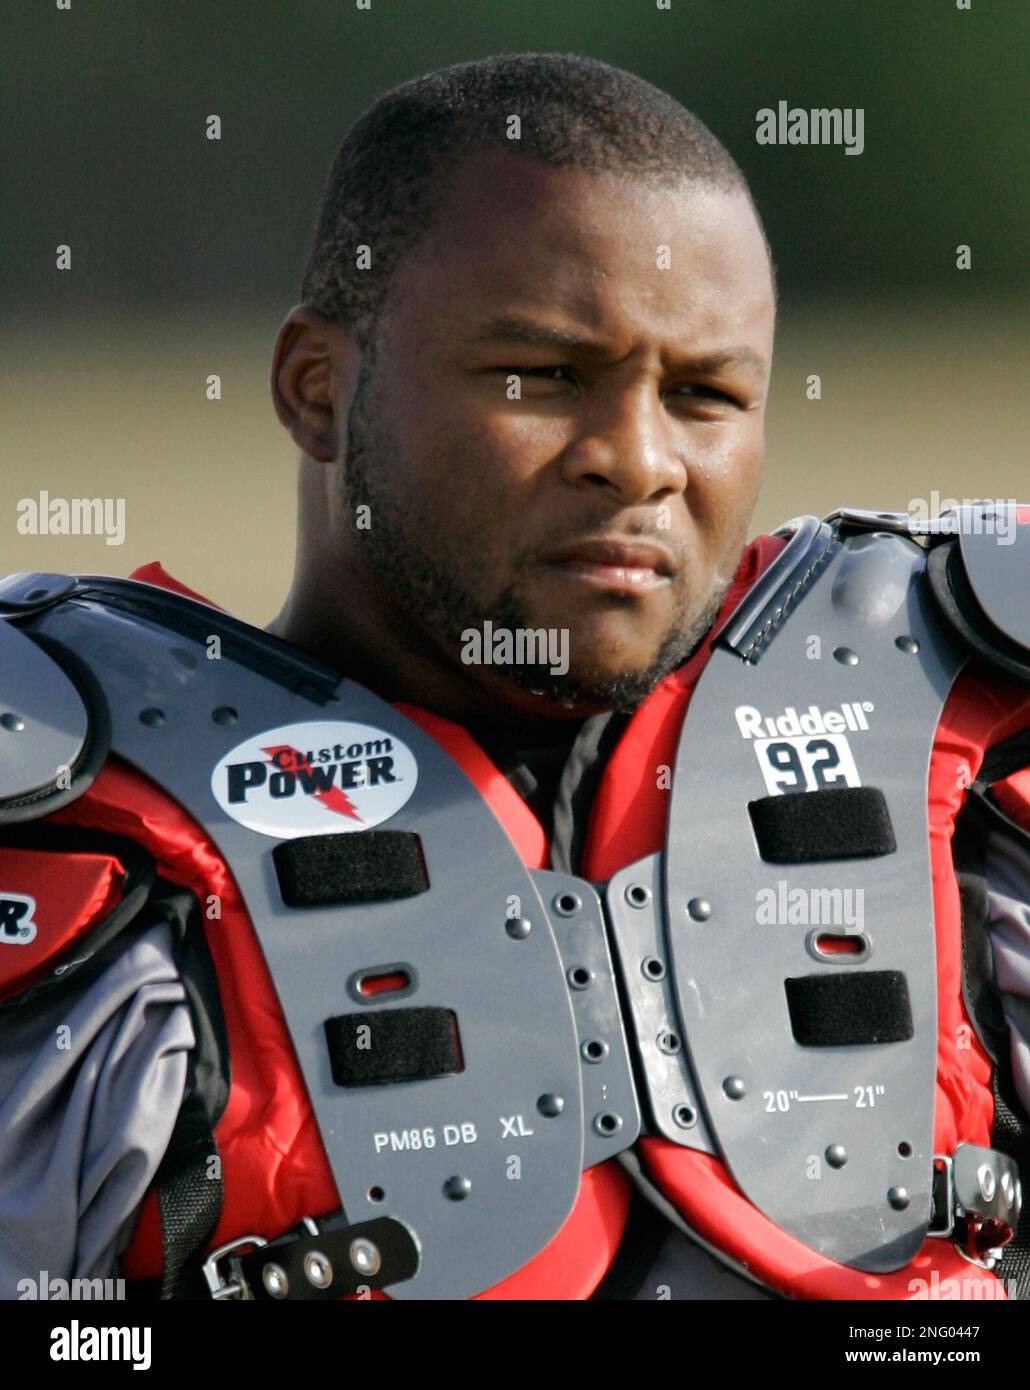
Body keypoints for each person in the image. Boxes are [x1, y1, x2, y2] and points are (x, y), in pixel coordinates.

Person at [1, 53, 1028, 1303]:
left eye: (704, 395)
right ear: (316, 390)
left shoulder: (962, 785)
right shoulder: (80, 854)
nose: (637, 461)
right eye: (540, 378)